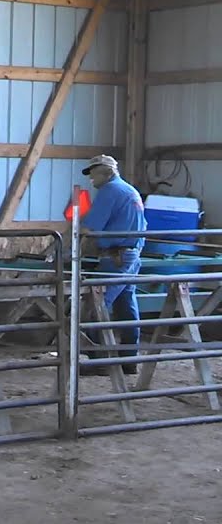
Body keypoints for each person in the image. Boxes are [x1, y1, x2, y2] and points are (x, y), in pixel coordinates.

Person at [78, 154, 146, 376]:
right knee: (126, 306)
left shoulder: (109, 191)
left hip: (115, 256)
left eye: (94, 174)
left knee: (96, 304)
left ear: (107, 172)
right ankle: (129, 360)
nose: (92, 180)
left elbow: (90, 227)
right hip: (132, 254)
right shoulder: (130, 191)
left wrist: (68, 238)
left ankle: (100, 361)